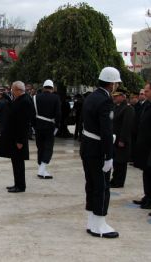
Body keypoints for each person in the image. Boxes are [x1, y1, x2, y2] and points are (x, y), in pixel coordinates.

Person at [80, 67, 121, 239]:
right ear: (111, 83)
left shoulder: (91, 97)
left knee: (91, 184)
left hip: (87, 146)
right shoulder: (105, 101)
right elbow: (105, 130)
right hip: (98, 149)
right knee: (102, 187)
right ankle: (99, 224)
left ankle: (92, 221)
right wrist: (109, 155)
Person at [0, 81, 34, 193]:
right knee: (16, 162)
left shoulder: (25, 101)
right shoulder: (20, 99)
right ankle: (17, 184)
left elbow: (24, 123)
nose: (12, 91)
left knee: (19, 163)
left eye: (12, 89)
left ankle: (21, 186)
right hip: (15, 137)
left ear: (18, 90)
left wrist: (20, 140)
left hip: (19, 139)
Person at [33, 79, 61, 179]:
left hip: (38, 126)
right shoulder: (56, 98)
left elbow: (32, 114)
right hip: (50, 126)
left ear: (43, 88)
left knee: (40, 147)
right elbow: (58, 114)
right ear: (52, 88)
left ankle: (42, 168)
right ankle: (42, 169)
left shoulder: (35, 97)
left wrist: (33, 126)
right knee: (48, 147)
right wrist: (57, 126)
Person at [110, 89, 135, 188]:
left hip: (122, 140)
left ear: (123, 96)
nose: (114, 97)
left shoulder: (128, 108)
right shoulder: (117, 107)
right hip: (115, 139)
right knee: (116, 161)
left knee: (121, 162)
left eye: (116, 96)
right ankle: (114, 179)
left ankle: (119, 182)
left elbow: (127, 126)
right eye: (114, 96)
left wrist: (122, 140)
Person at [133, 83, 151, 209]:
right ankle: (147, 197)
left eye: (147, 91)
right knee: (146, 173)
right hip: (144, 146)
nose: (144, 93)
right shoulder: (147, 106)